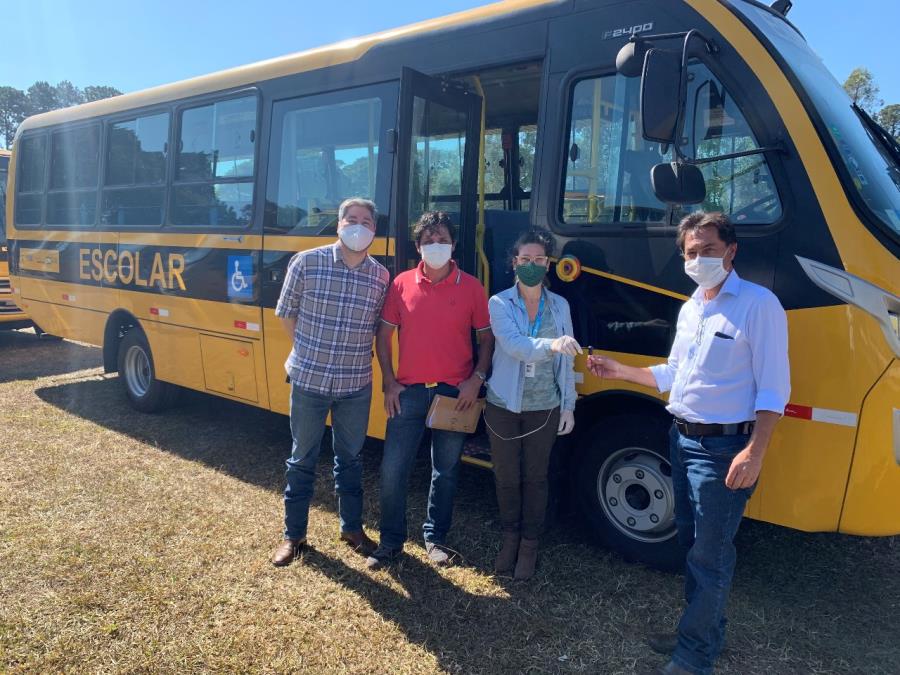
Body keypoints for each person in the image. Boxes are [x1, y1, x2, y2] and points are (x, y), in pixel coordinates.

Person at [588, 212, 790, 675]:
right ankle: (697, 633)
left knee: (710, 556)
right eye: (691, 253)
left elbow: (774, 389)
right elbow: (673, 375)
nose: (699, 259)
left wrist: (754, 451)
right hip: (679, 441)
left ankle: (694, 655)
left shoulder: (760, 306)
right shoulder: (692, 306)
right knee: (693, 548)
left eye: (708, 250)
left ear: (731, 251)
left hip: (722, 451)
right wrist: (619, 371)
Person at [367, 211, 494, 569]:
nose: (435, 246)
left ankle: (435, 539)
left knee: (446, 471)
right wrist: (389, 381)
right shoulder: (400, 284)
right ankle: (391, 542)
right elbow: (384, 336)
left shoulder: (471, 287)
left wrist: (477, 378)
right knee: (393, 470)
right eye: (428, 241)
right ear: (418, 246)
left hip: (455, 394)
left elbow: (486, 339)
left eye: (442, 240)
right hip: (407, 393)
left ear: (453, 245)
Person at [271, 197, 390, 567]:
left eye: (366, 221)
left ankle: (352, 529)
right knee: (302, 459)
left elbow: (376, 329)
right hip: (309, 379)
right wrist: (308, 350)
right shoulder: (307, 262)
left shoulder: (380, 277)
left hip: (355, 384)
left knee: (350, 460)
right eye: (351, 219)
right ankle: (294, 536)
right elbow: (285, 313)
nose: (359, 226)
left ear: (374, 229)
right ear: (338, 224)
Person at [484, 227, 581, 580]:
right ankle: (510, 536)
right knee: (507, 477)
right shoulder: (499, 303)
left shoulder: (560, 306)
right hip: (503, 405)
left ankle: (529, 543)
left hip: (545, 406)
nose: (532, 265)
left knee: (536, 478)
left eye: (539, 259)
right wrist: (552, 345)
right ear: (514, 263)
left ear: (548, 263)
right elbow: (513, 345)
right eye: (525, 259)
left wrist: (568, 404)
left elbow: (567, 360)